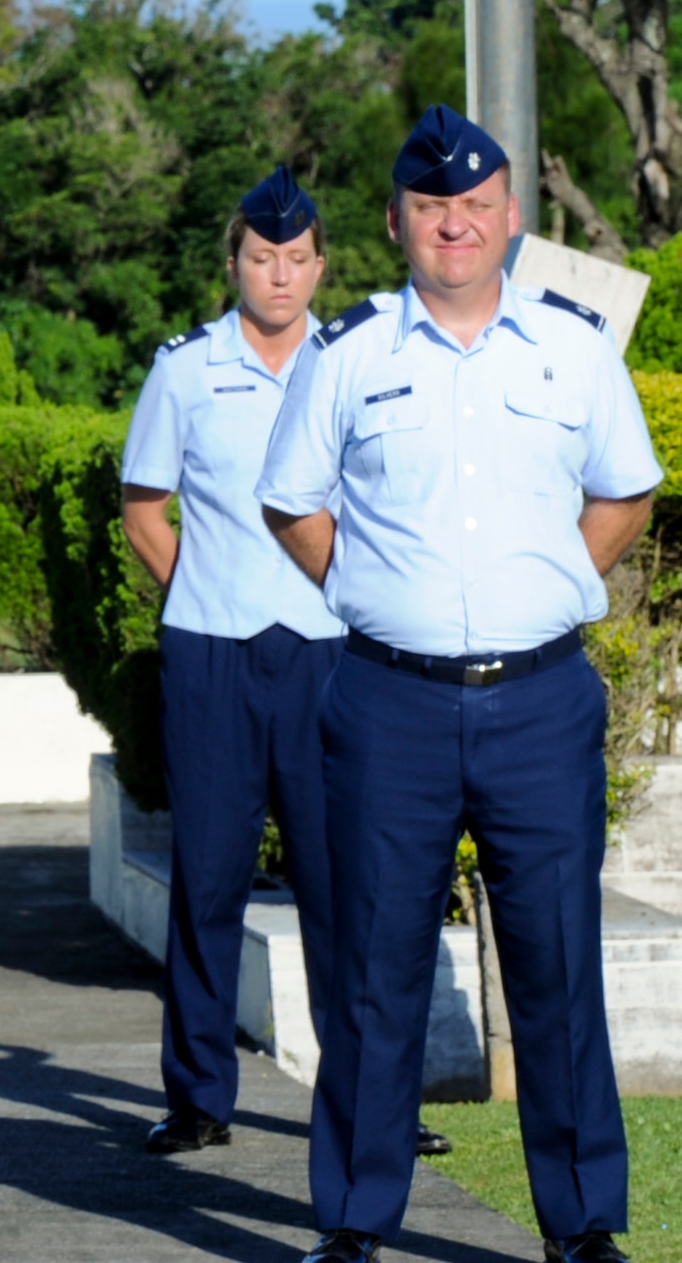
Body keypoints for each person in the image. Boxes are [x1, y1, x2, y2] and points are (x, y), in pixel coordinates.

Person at [259, 104, 657, 1263]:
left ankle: (580, 1223)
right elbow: (291, 503)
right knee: (376, 971)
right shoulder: (348, 353)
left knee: (556, 967)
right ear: (393, 220)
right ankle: (350, 1220)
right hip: (388, 702)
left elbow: (623, 492)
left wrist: (547, 584)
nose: (454, 224)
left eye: (475, 205)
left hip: (538, 700)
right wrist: (376, 595)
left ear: (510, 218)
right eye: (431, 206)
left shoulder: (571, 347)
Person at [121, 167, 346, 1155]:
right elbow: (142, 508)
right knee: (206, 879)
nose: (279, 275)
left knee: (347, 883)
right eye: (261, 258)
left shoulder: (351, 365)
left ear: (318, 264)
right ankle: (198, 1095)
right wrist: (199, 592)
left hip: (329, 655)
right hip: (211, 656)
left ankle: (368, 1095)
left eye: (295, 259)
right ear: (234, 264)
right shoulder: (184, 368)